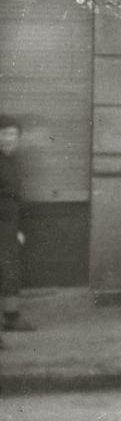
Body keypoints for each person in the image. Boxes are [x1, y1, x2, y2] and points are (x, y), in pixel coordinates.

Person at [0, 115, 33, 339]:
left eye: (12, 134)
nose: (8, 139)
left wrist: (17, 229)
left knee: (10, 270)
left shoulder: (13, 160)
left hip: (9, 223)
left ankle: (11, 317)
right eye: (3, 134)